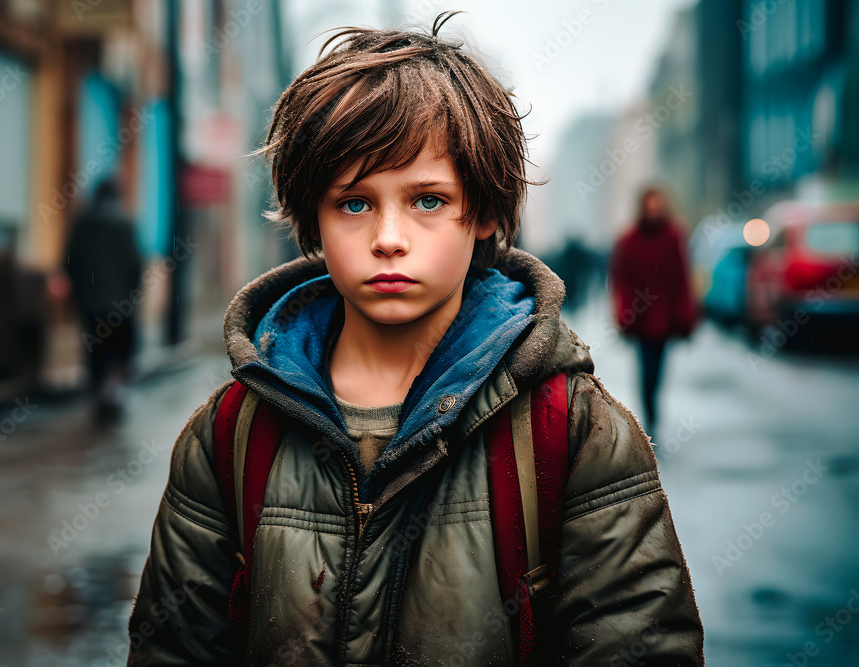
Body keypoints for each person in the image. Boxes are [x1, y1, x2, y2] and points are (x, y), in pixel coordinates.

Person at [127, 13, 703, 665]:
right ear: (311, 214)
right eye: (354, 202)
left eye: (427, 200)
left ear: (483, 210)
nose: (388, 237)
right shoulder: (230, 434)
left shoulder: (570, 433)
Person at [609, 186, 698, 440]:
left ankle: (652, 413)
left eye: (658, 205)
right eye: (650, 205)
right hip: (640, 318)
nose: (654, 210)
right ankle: (649, 415)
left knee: (658, 369)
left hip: (665, 318)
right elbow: (621, 279)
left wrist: (685, 315)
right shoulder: (629, 240)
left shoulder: (673, 237)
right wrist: (624, 312)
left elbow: (681, 278)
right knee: (644, 369)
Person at [62, 178, 143, 424]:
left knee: (95, 348)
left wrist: (78, 295)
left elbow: (69, 261)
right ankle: (113, 390)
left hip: (90, 304)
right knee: (119, 348)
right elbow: (135, 264)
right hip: (120, 304)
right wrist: (132, 295)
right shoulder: (125, 223)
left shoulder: (81, 223)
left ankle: (97, 394)